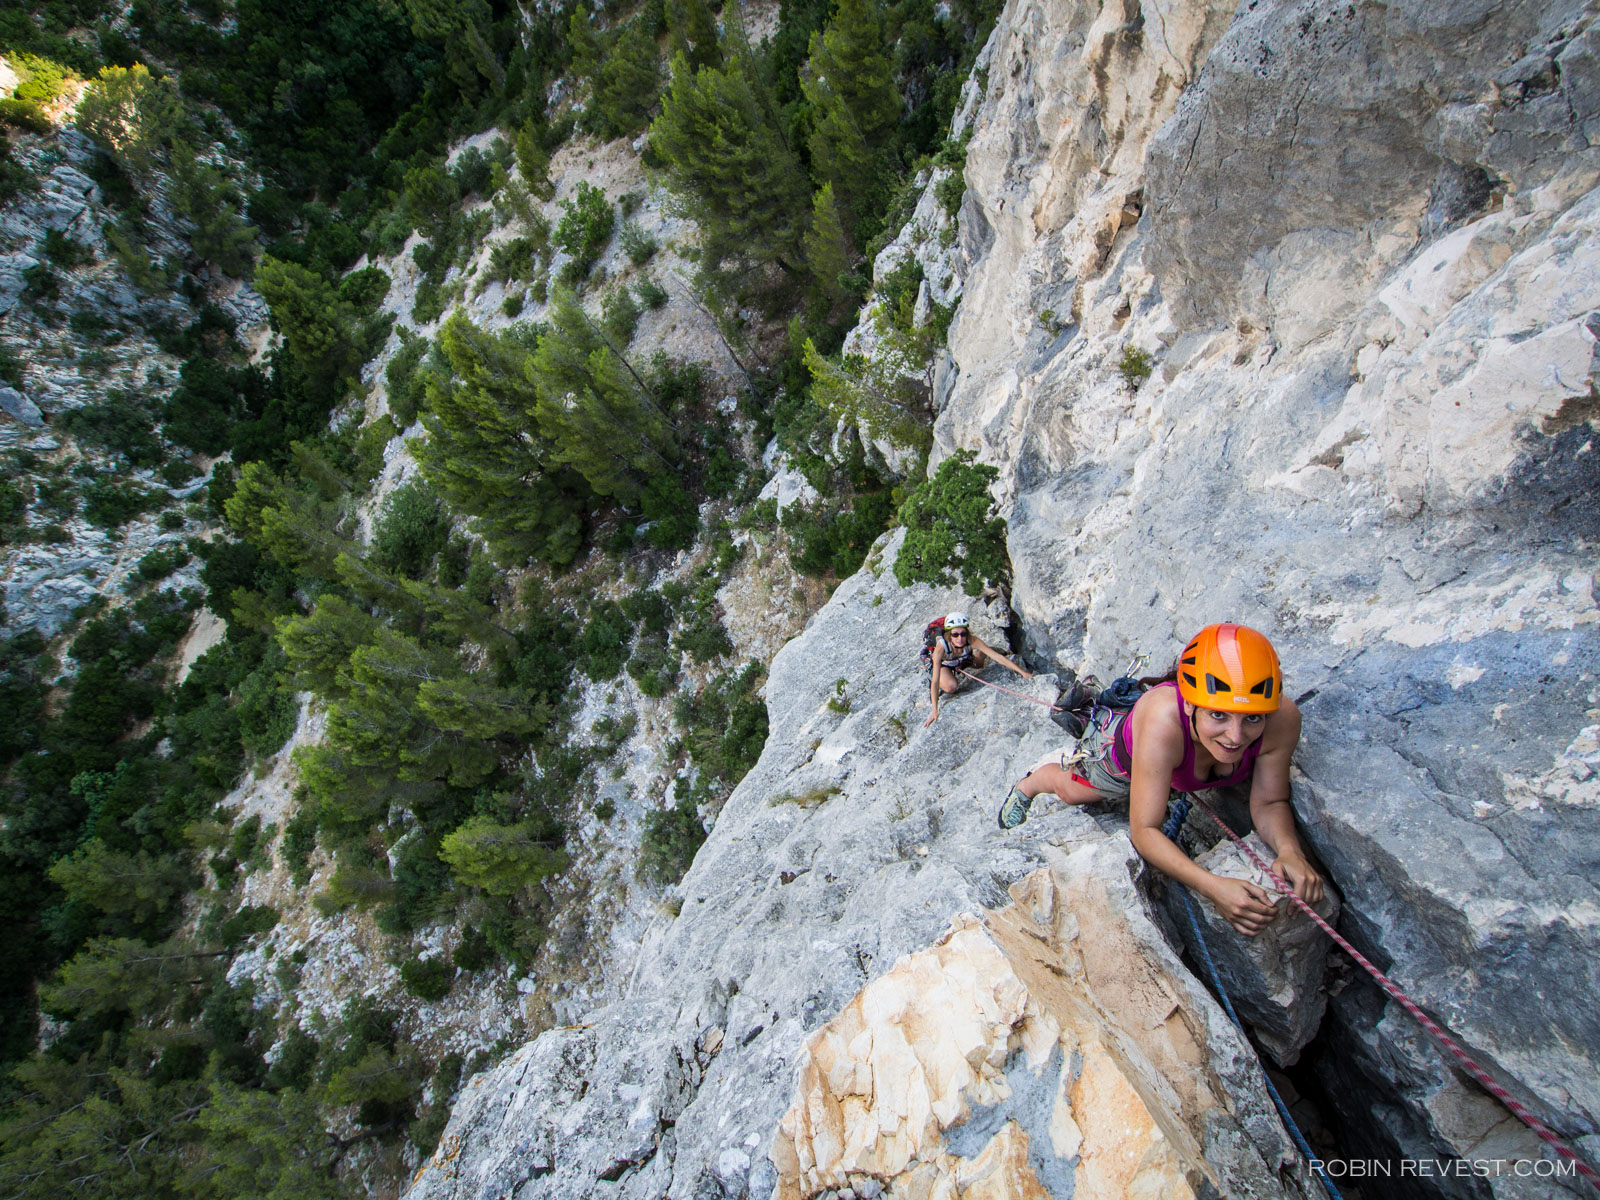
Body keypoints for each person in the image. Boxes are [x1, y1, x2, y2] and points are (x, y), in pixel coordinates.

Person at [996, 623, 1324, 936]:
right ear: (1192, 703)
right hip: (1126, 754)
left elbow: (1269, 800)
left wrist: (1289, 850)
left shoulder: (1281, 720)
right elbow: (1145, 830)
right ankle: (1029, 784)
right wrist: (1213, 887)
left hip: (1173, 760)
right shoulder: (1163, 719)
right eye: (1218, 715)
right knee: (1071, 790)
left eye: (1252, 718)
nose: (1235, 737)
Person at [923, 611, 1034, 727]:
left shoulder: (972, 640)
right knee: (950, 687)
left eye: (963, 634)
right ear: (949, 635)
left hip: (962, 658)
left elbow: (998, 657)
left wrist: (1023, 673)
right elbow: (935, 680)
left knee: (979, 665)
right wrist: (934, 710)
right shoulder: (941, 647)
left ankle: (983, 652)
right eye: (955, 635)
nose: (960, 638)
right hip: (944, 664)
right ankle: (958, 667)